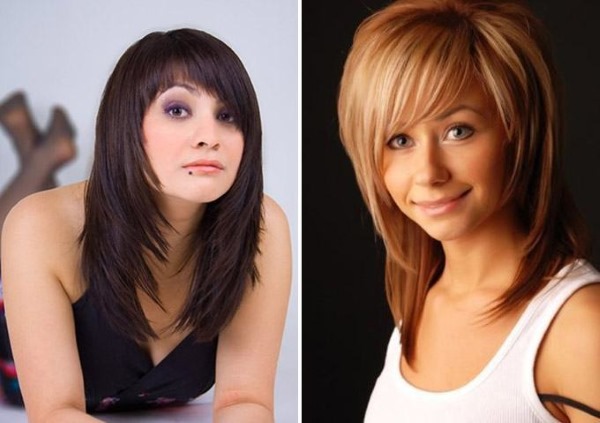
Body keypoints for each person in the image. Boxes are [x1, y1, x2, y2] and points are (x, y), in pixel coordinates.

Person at [0, 28, 291, 423]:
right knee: (28, 219)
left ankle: (41, 153)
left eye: (228, 116)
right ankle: (40, 157)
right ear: (127, 124)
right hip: (12, 356)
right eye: (177, 110)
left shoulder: (262, 227)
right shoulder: (37, 227)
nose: (210, 137)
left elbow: (246, 401)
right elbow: (55, 413)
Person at [337, 0, 600, 421]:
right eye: (400, 140)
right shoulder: (421, 301)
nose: (428, 172)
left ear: (518, 130)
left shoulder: (580, 327)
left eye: (458, 131)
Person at [0, 91, 76, 404]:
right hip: (31, 377)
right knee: (35, 252)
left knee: (28, 253)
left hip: (30, 376)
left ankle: (37, 153)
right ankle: (37, 153)